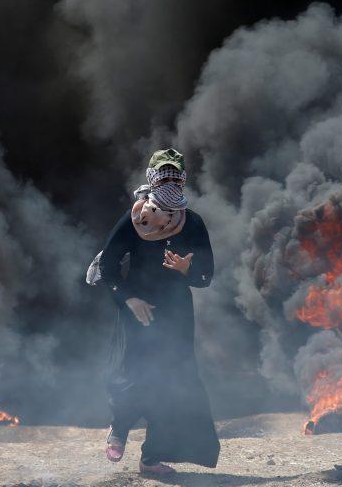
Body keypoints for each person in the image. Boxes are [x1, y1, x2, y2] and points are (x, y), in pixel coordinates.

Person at [96, 148, 220, 476]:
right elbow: (108, 267)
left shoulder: (192, 223)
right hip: (136, 310)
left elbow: (206, 277)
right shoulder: (135, 219)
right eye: (162, 176)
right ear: (152, 178)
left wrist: (185, 272)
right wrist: (129, 300)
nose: (169, 183)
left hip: (176, 315)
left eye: (174, 177)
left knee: (172, 383)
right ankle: (119, 429)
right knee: (133, 375)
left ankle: (151, 458)